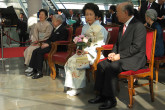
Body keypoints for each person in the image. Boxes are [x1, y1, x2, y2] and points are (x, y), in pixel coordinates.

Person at [88, 2, 146, 109]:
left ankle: (111, 99)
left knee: (111, 67)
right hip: (123, 57)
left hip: (135, 58)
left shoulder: (138, 26)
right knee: (101, 65)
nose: (116, 15)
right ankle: (101, 95)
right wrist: (113, 52)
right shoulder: (122, 26)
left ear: (126, 12)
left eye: (118, 12)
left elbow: (136, 47)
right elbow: (117, 44)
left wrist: (119, 56)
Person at [64, 3, 108, 96]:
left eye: (91, 14)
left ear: (96, 15)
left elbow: (100, 44)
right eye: (86, 14)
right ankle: (72, 85)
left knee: (76, 61)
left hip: (95, 53)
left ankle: (77, 88)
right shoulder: (85, 27)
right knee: (70, 61)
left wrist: (88, 51)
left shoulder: (100, 28)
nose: (88, 17)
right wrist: (80, 49)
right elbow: (83, 41)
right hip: (85, 51)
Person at [25, 14, 68, 79]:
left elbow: (61, 40)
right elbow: (50, 39)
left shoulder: (63, 29)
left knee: (40, 52)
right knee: (35, 51)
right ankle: (34, 70)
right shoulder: (55, 29)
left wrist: (49, 44)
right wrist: (45, 43)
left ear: (58, 21)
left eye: (53, 20)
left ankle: (40, 72)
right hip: (52, 46)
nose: (52, 22)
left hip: (58, 47)